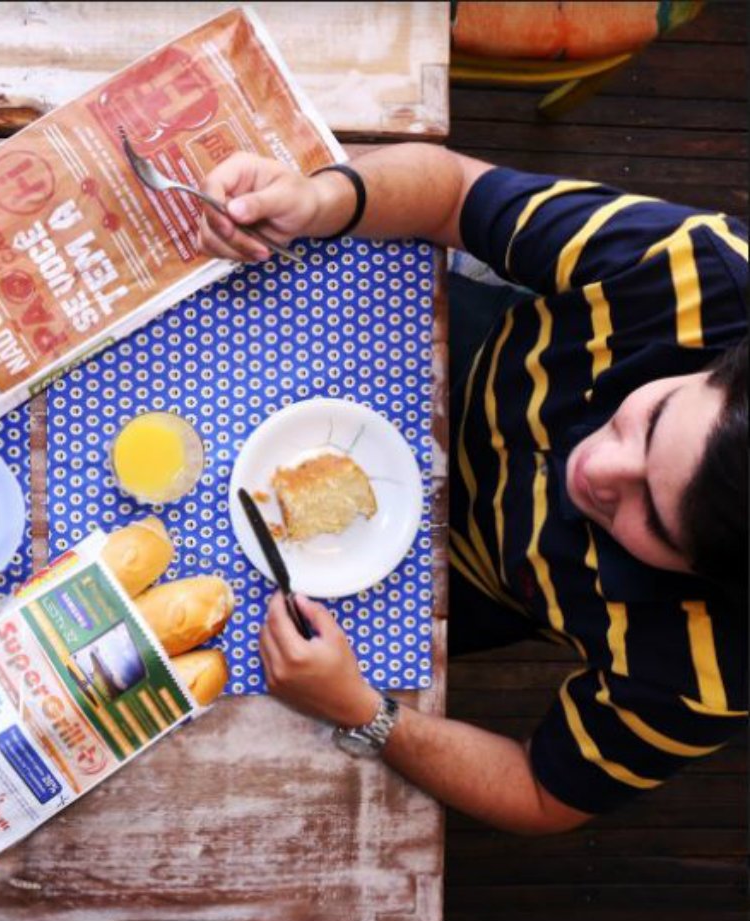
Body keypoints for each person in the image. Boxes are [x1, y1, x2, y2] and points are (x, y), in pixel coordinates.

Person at [198, 144, 747, 833]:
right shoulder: (705, 273)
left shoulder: (712, 670)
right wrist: (318, 201)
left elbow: (544, 796)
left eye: (656, 519)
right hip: (451, 343)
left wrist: (367, 712)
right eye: (651, 419)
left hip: (468, 579)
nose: (595, 469)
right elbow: (455, 193)